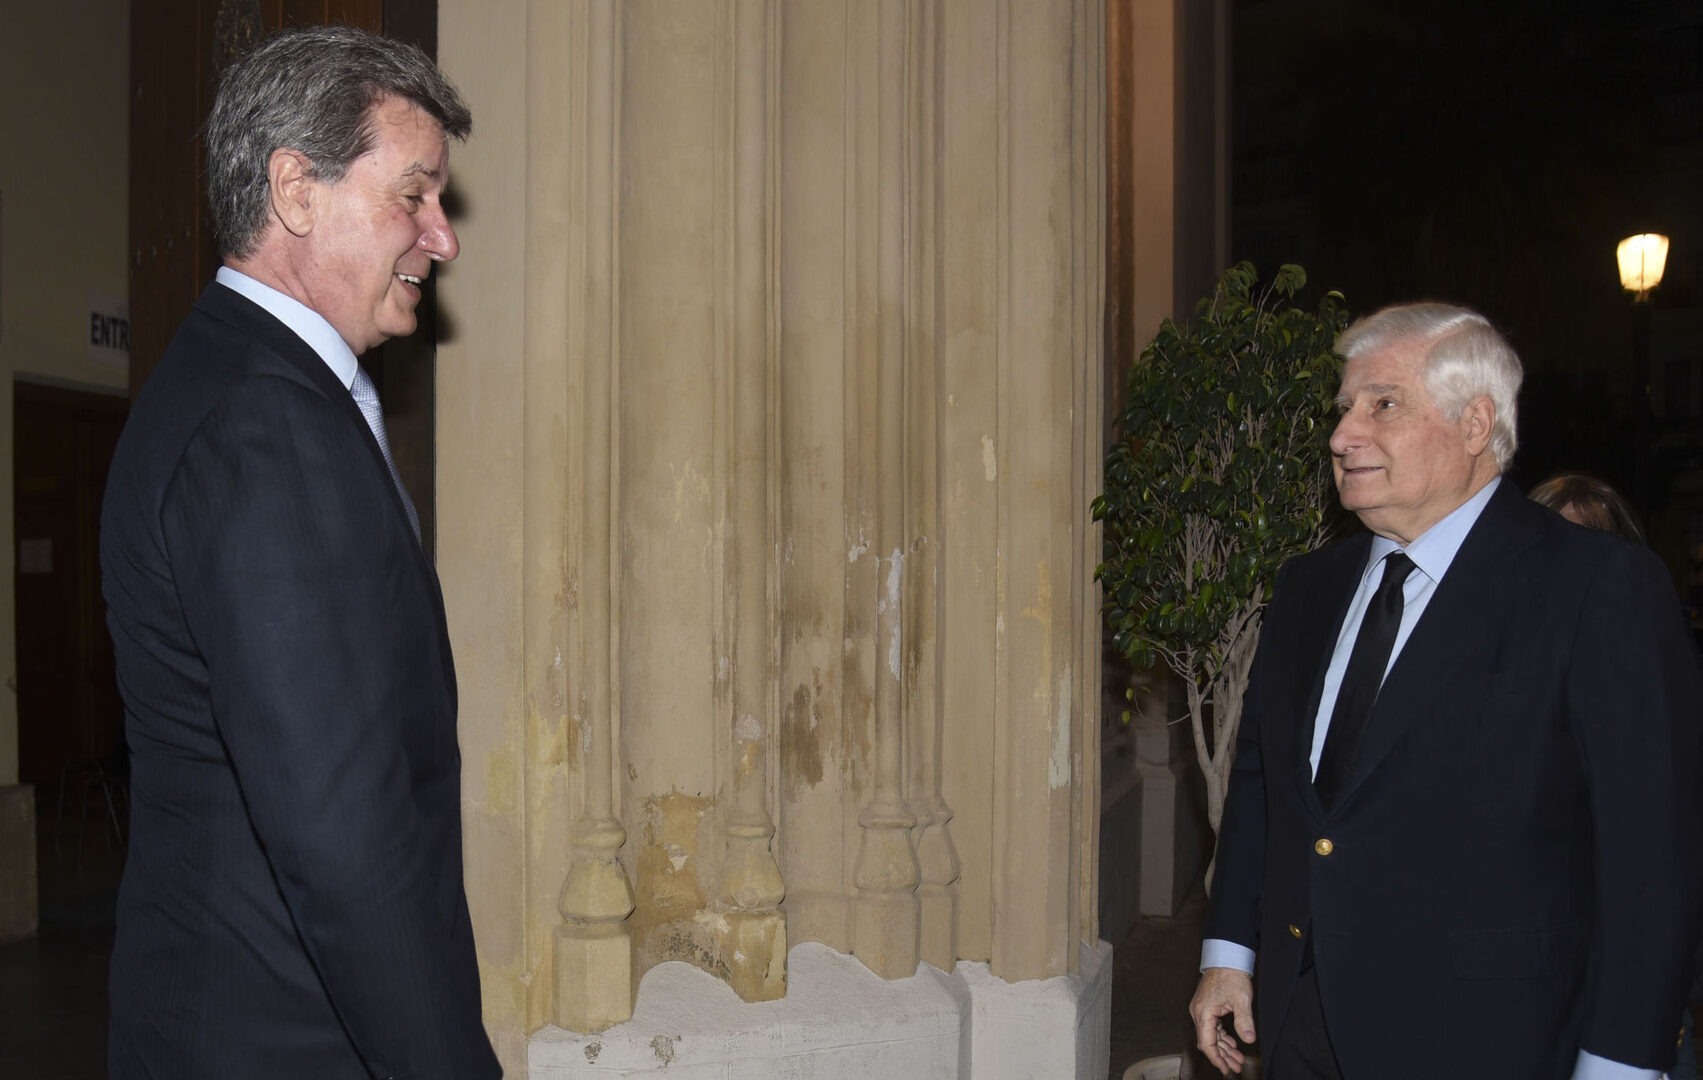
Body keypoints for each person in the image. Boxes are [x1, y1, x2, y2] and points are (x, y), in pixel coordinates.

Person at [100, 26, 501, 1079]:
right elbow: (342, 834)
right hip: (283, 1040)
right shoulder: (265, 424)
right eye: (413, 194)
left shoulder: (241, 385)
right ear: (295, 191)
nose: (442, 237)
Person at [1188, 302, 1703, 1080]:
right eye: (1344, 408)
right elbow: (1263, 784)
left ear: (1474, 424)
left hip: (1490, 1040)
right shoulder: (1307, 587)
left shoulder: (1595, 586)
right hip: (1300, 1024)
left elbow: (1652, 853)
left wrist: (1621, 1064)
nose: (1341, 434)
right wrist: (1228, 954)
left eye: (1382, 404)